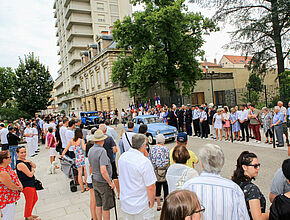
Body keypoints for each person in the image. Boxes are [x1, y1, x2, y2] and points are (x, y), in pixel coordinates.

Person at [183, 144, 249, 220]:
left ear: (201, 164)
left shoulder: (188, 186)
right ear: (222, 163)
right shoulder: (234, 189)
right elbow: (243, 217)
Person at [118, 134, 157, 219]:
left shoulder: (122, 157)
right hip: (141, 204)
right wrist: (152, 202)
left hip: (126, 201)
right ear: (143, 145)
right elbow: (150, 186)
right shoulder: (144, 162)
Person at [231, 151, 268, 220]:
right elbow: (258, 218)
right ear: (244, 167)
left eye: (258, 165)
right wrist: (274, 212)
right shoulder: (251, 189)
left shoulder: (234, 183)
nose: (258, 168)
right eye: (255, 166)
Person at [88, 130, 115, 220]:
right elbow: (103, 170)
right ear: (100, 140)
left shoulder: (91, 150)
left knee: (98, 204)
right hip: (103, 181)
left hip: (95, 179)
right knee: (106, 206)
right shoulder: (102, 151)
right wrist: (110, 183)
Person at [61, 128, 88, 192]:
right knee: (86, 172)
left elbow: (66, 149)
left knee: (79, 173)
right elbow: (84, 149)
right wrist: (87, 145)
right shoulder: (81, 140)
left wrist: (62, 155)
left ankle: (82, 188)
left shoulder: (71, 141)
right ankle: (87, 186)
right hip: (83, 157)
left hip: (77, 158)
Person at [16, 146, 39, 220]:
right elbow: (30, 174)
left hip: (30, 183)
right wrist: (32, 169)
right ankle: (28, 216)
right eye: (21, 153)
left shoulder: (25, 160)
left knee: (34, 198)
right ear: (17, 153)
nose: (23, 154)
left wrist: (30, 162)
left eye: (25, 152)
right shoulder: (21, 164)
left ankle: (28, 214)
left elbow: (34, 166)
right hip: (26, 185)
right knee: (29, 201)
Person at [148, 134, 170, 211]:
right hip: (165, 171)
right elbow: (169, 159)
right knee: (166, 187)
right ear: (163, 141)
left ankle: (158, 205)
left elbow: (149, 159)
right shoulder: (166, 149)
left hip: (156, 171)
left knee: (157, 187)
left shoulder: (152, 149)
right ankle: (166, 205)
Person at [0, 150, 22, 220]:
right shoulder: (2, 172)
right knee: (8, 216)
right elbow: (10, 185)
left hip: (10, 197)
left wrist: (19, 184)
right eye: (9, 157)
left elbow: (15, 176)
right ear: (4, 160)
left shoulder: (7, 166)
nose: (11, 158)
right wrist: (18, 188)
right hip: (6, 198)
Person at [99, 124, 120, 198]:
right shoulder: (109, 138)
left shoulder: (97, 140)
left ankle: (112, 194)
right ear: (106, 130)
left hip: (102, 162)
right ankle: (119, 193)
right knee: (114, 176)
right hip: (110, 159)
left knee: (107, 177)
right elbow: (115, 149)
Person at [85, 128, 97, 220]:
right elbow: (91, 169)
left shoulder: (86, 158)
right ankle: (94, 217)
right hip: (93, 179)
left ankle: (94, 216)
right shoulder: (90, 158)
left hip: (89, 179)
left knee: (92, 200)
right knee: (94, 200)